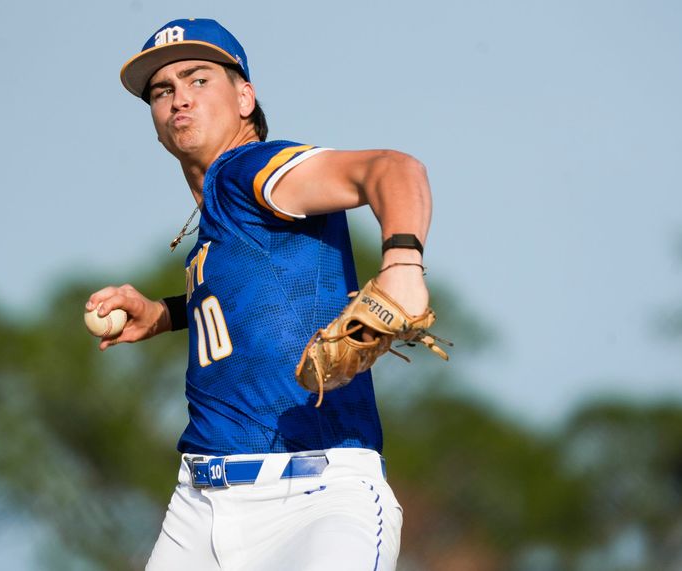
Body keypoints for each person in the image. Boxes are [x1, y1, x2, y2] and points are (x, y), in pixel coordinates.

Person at [87, 18, 435, 570]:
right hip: (198, 510)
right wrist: (163, 314)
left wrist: (402, 262)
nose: (179, 98)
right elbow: (256, 299)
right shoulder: (222, 220)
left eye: (198, 79)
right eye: (162, 90)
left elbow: (392, 169)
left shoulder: (249, 170)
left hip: (315, 501)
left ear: (245, 96)